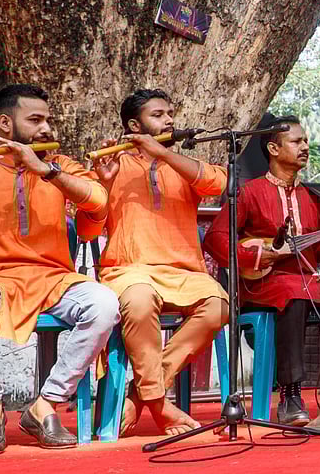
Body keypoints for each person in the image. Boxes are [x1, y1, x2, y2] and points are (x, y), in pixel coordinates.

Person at [0, 84, 121, 453]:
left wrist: (47, 172)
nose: (47, 128)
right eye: (35, 120)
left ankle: (46, 405)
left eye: (48, 119)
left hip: (54, 280)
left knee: (104, 303)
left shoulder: (60, 166)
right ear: (5, 123)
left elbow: (96, 203)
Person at [203, 118, 320, 425]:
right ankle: (290, 395)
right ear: (274, 149)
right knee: (293, 293)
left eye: (305, 141)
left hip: (307, 281)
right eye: (297, 141)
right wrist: (258, 253)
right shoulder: (250, 192)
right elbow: (215, 239)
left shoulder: (311, 197)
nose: (305, 146)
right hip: (265, 284)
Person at [86, 89, 229, 436]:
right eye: (158, 115)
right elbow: (88, 230)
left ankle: (142, 394)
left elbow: (217, 182)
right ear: (135, 125)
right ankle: (161, 406)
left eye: (170, 114)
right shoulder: (110, 164)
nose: (169, 121)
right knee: (138, 301)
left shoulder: (182, 166)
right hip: (129, 270)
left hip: (184, 272)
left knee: (220, 305)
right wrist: (103, 184)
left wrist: (163, 153)